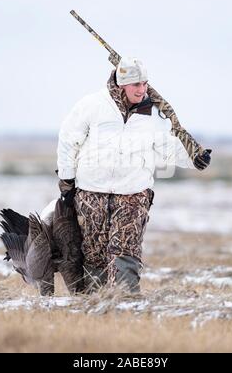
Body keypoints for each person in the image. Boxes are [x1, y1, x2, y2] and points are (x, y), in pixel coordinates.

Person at [57, 57, 211, 293]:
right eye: (136, 85)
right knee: (94, 252)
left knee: (126, 251)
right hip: (91, 193)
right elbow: (69, 141)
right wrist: (67, 181)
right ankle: (93, 306)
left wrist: (193, 158)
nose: (142, 90)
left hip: (133, 194)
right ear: (121, 86)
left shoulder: (153, 114)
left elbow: (167, 147)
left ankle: (125, 306)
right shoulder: (92, 105)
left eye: (145, 84)